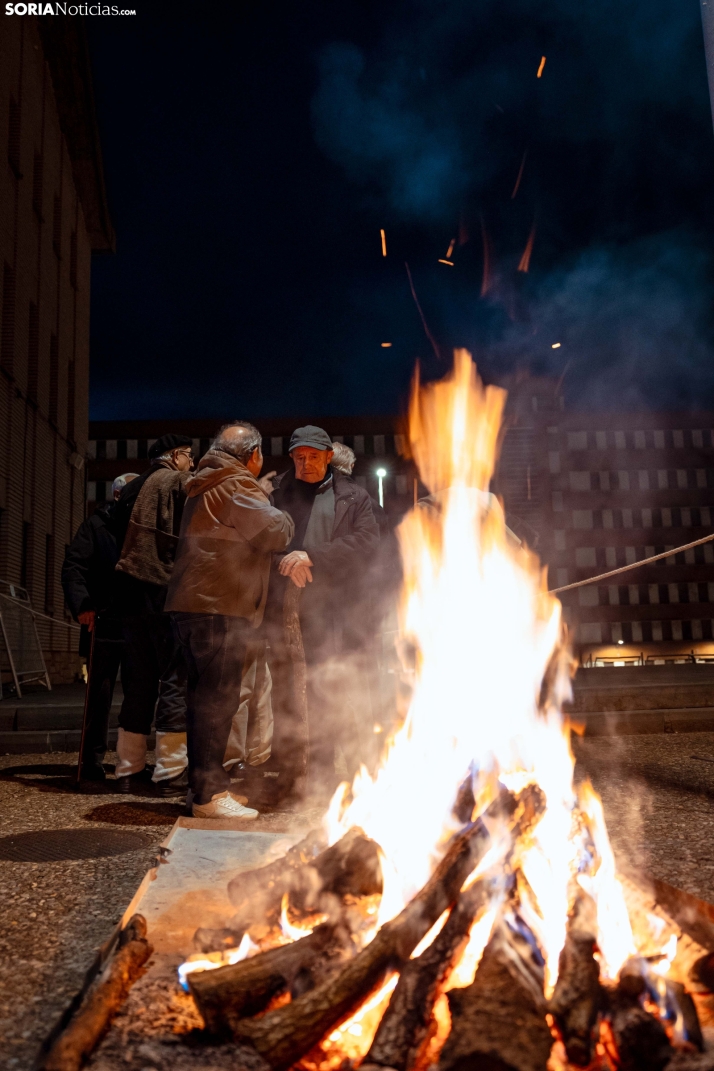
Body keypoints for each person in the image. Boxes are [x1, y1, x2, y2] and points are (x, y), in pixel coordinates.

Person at [166, 421, 294, 820]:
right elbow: (275, 532)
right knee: (216, 703)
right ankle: (207, 797)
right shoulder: (233, 484)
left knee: (205, 700)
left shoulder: (208, 479)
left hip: (198, 603)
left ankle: (206, 788)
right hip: (217, 606)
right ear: (252, 455)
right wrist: (275, 505)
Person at [268, 426, 380, 798]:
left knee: (327, 686)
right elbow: (255, 541)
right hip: (283, 604)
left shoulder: (353, 496)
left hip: (333, 607)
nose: (306, 462)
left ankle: (324, 772)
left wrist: (313, 556)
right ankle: (289, 773)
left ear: (329, 456)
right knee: (286, 689)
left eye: (313, 456)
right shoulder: (275, 493)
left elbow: (365, 541)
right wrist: (287, 560)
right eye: (299, 456)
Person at [112, 434, 194, 795]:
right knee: (174, 676)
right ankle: (170, 771)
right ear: (175, 455)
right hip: (162, 588)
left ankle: (128, 768)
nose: (192, 463)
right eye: (189, 456)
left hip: (128, 594)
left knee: (139, 679)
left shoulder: (131, 487)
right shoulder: (175, 481)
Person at [61, 472, 139, 780]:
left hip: (136, 622)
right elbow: (73, 567)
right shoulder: (96, 525)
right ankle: (90, 763)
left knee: (136, 694)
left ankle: (130, 764)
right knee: (98, 695)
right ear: (118, 496)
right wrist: (83, 605)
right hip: (102, 621)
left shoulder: (142, 526)